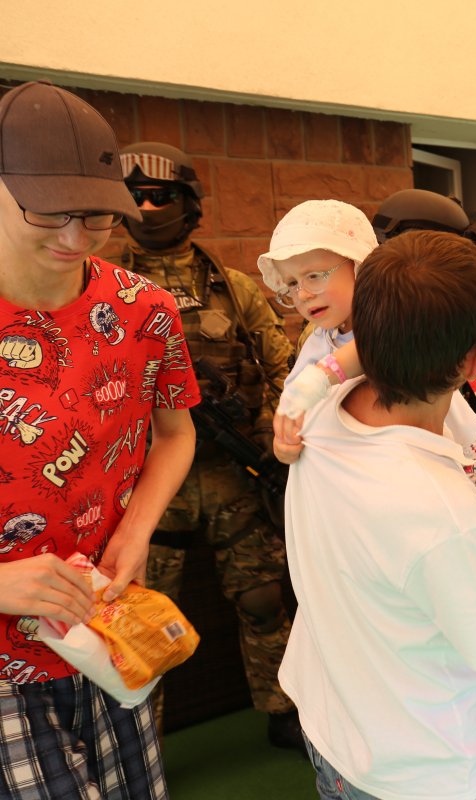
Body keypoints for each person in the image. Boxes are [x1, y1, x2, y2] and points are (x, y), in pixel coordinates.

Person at [266, 190, 476, 773]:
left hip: (331, 726)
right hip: (419, 765)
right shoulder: (440, 511)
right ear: (475, 360)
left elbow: (339, 368)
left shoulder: (316, 413)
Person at [0, 81, 198, 798]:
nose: (76, 239)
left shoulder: (143, 308)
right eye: (51, 211)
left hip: (107, 628)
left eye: (100, 218)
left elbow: (176, 432)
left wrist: (138, 530)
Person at [117, 142, 301, 749]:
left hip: (232, 474)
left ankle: (283, 707)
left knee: (263, 597)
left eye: (161, 195)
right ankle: (141, 737)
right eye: (136, 195)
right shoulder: (101, 289)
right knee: (137, 622)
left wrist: (272, 436)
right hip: (145, 487)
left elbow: (284, 369)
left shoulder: (234, 287)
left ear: (189, 204)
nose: (147, 206)